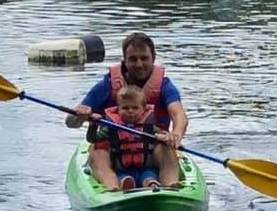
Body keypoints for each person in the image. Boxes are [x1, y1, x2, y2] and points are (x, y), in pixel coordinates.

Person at [66, 32, 188, 186]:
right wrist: (80, 115)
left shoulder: (164, 86)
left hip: (153, 148)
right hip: (113, 149)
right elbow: (71, 123)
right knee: (98, 153)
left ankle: (170, 189)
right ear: (124, 60)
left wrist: (175, 135)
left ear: (153, 58)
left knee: (167, 150)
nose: (139, 64)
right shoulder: (107, 85)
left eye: (144, 58)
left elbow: (179, 116)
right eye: (133, 59)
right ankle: (113, 191)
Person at [87, 84, 164, 191]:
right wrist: (93, 125)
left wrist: (164, 137)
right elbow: (92, 139)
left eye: (135, 108)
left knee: (149, 175)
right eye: (125, 108)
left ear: (143, 109)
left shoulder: (149, 127)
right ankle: (126, 185)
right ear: (118, 109)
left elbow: (162, 135)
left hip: (145, 167)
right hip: (121, 169)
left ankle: (150, 184)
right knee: (123, 177)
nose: (130, 111)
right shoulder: (111, 128)